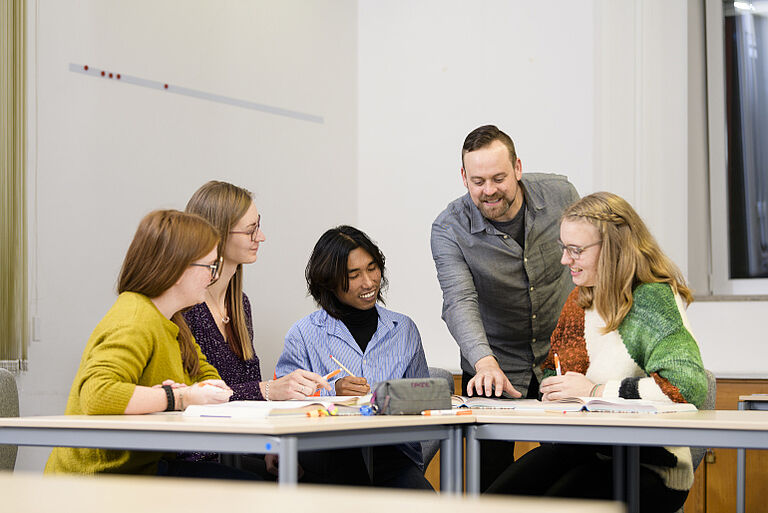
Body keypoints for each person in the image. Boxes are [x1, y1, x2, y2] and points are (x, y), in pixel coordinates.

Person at [487, 192, 708, 513]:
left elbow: (685, 388)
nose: (565, 260)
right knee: (493, 504)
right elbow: (556, 372)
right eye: (564, 248)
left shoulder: (651, 299)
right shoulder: (579, 302)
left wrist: (595, 392)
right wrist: (554, 389)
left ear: (614, 249)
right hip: (587, 450)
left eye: (576, 250)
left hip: (651, 466)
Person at [44, 210, 258, 479]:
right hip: (99, 476)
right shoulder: (134, 318)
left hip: (142, 468)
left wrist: (189, 392)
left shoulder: (174, 320)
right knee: (246, 487)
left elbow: (209, 378)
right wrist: (179, 397)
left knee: (245, 483)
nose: (214, 277)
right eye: (210, 267)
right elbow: (98, 394)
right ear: (178, 268)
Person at [430, 124, 579, 489]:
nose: (489, 190)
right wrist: (484, 361)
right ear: (463, 177)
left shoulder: (561, 195)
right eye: (478, 181)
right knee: (490, 483)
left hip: (559, 357)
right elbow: (459, 300)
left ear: (518, 168)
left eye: (499, 178)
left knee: (573, 469)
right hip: (492, 363)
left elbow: (589, 264)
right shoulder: (449, 228)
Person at [276, 225, 432, 490]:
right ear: (329, 280)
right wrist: (331, 393)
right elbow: (284, 405)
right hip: (327, 456)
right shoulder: (303, 334)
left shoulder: (403, 329)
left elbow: (425, 399)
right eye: (354, 274)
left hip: (391, 455)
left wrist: (388, 398)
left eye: (372, 268)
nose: (369, 282)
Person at [184, 181, 331, 401]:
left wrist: (285, 388)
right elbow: (191, 395)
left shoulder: (240, 304)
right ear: (217, 234)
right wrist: (269, 389)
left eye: (258, 226)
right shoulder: (185, 308)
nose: (260, 237)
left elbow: (244, 391)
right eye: (250, 231)